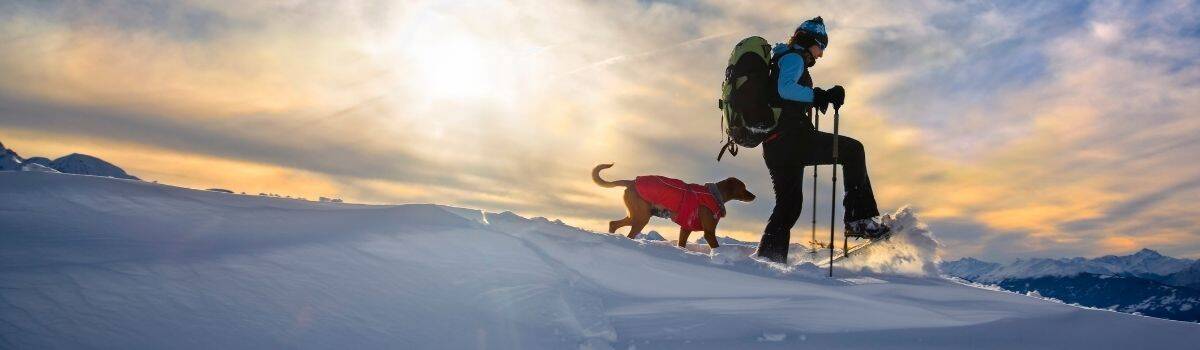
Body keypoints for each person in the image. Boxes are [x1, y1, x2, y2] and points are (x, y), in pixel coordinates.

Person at [757, 16, 889, 263]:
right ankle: (859, 220)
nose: (821, 54)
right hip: (791, 139)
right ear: (810, 41)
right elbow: (785, 89)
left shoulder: (782, 59)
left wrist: (817, 97)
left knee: (789, 205)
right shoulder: (794, 58)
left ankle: (768, 259)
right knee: (853, 150)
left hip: (775, 145)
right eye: (821, 46)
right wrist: (818, 95)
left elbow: (784, 95)